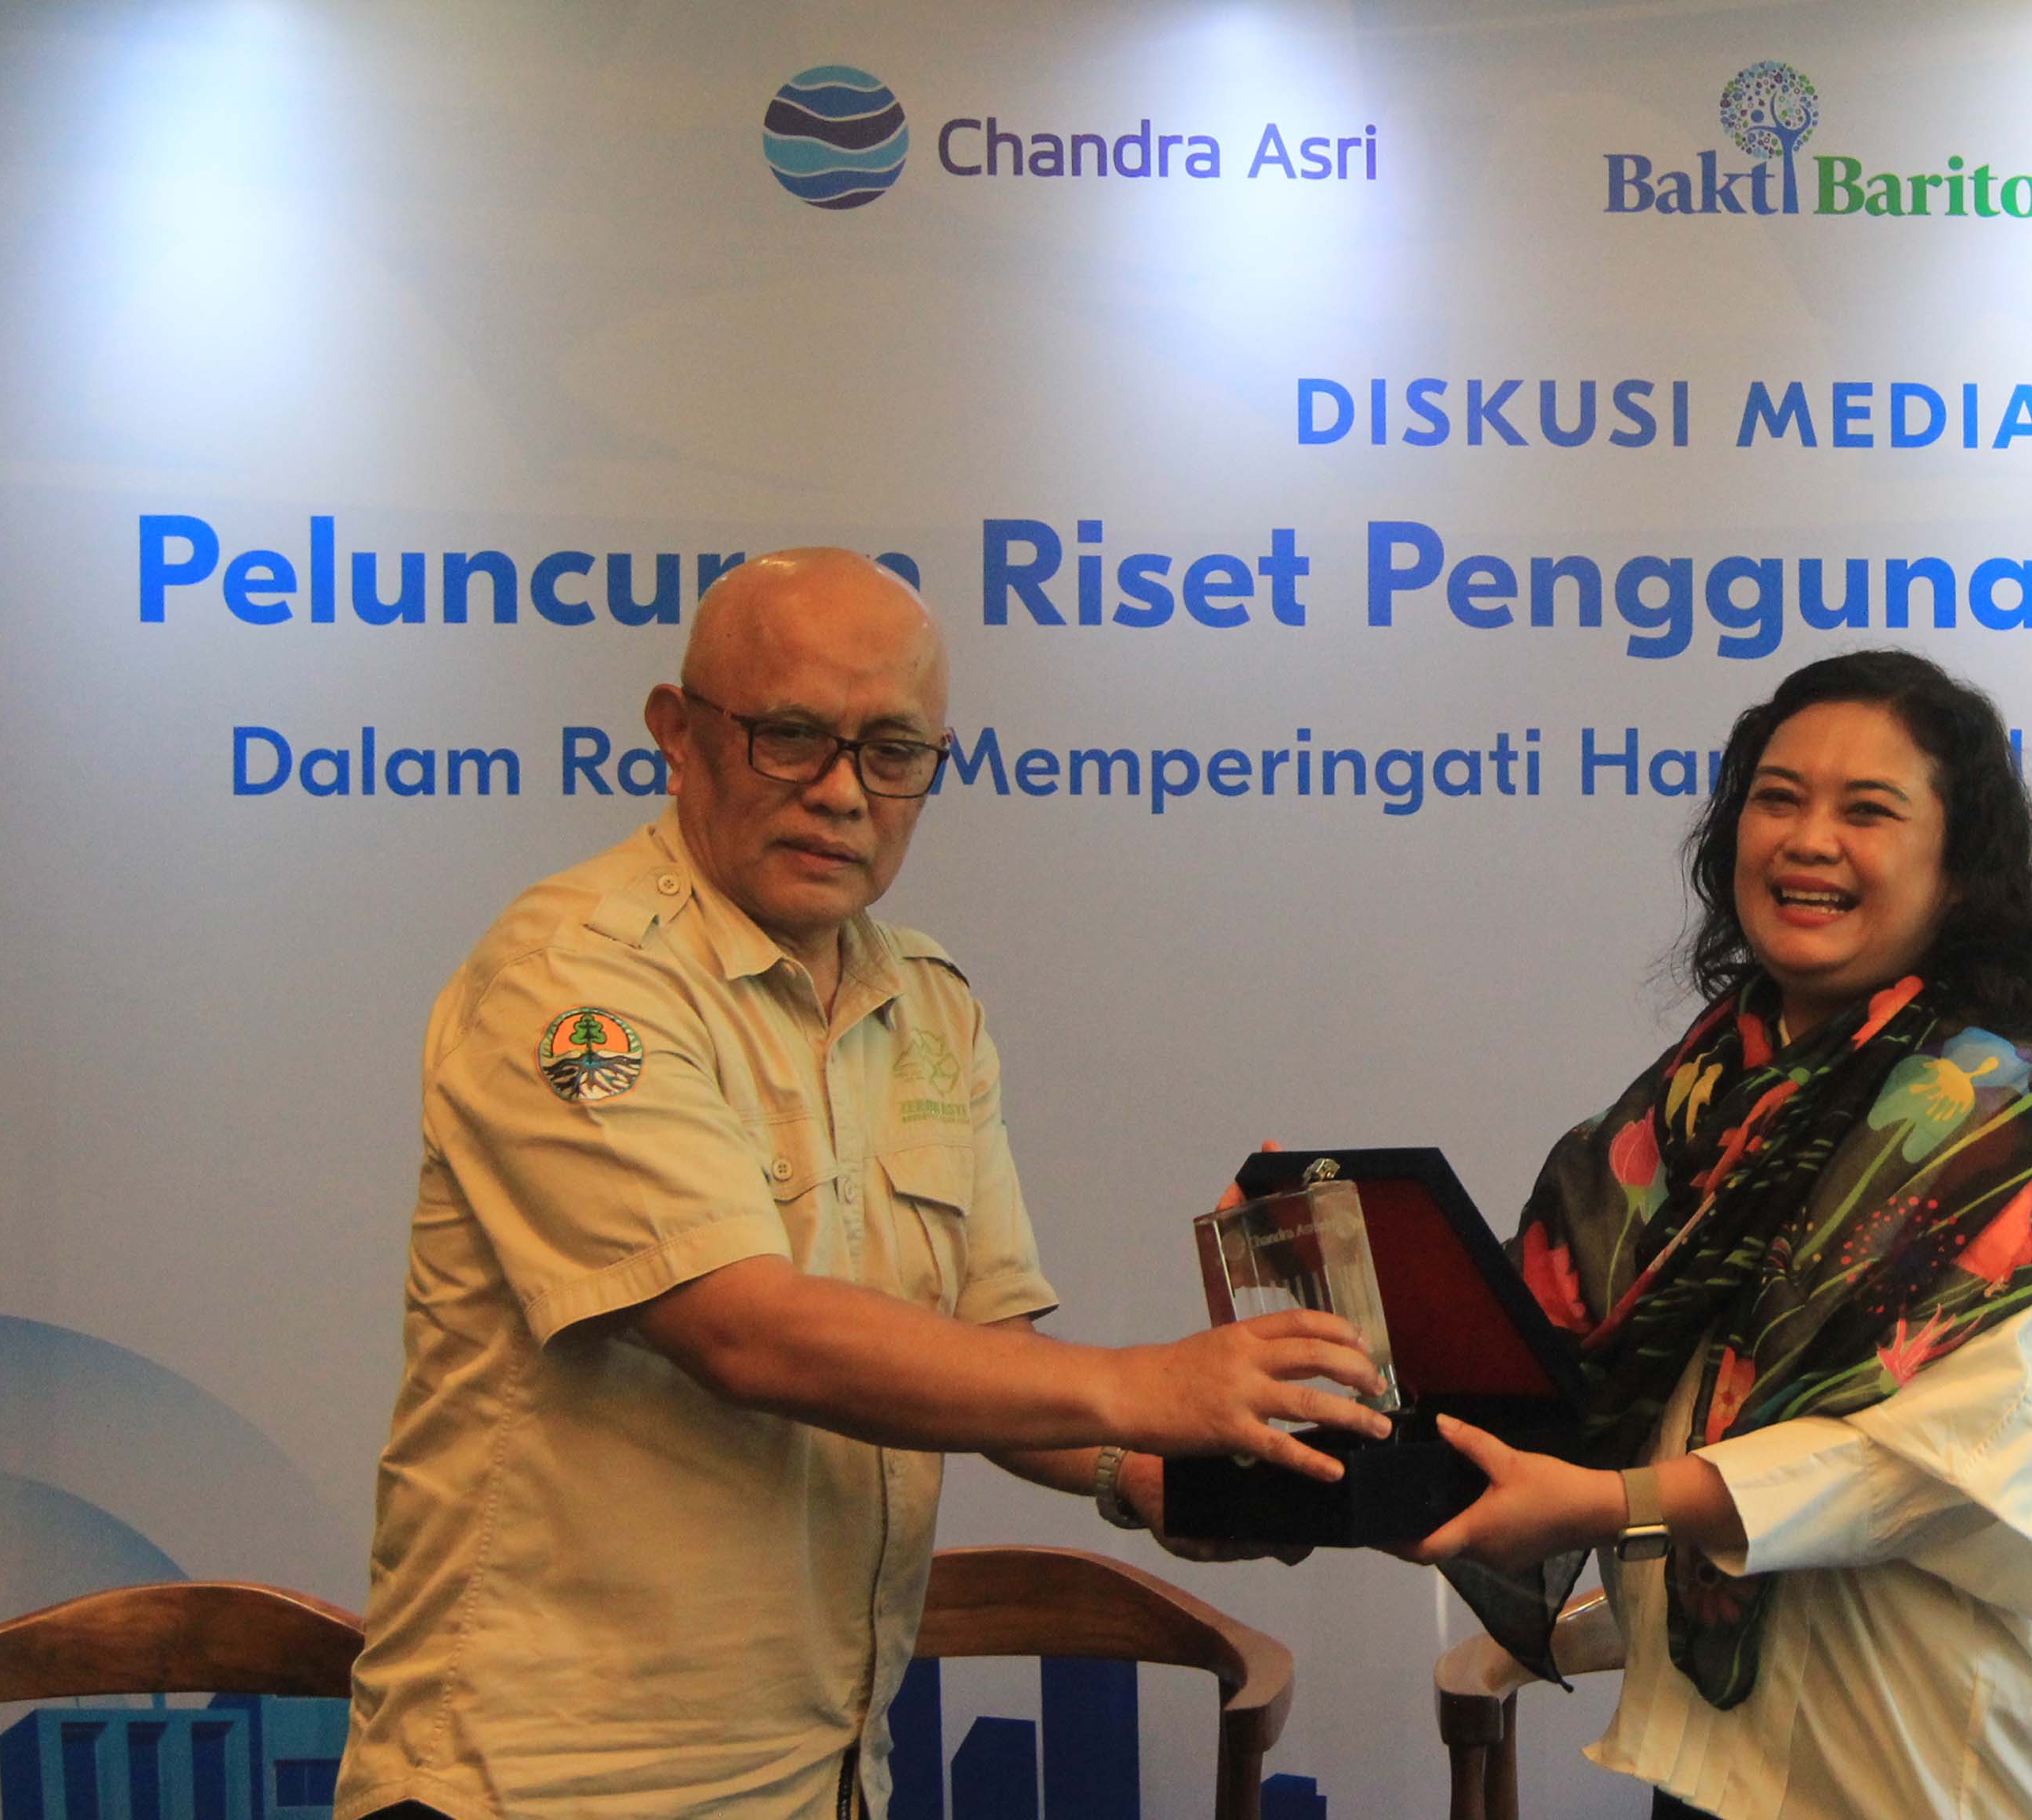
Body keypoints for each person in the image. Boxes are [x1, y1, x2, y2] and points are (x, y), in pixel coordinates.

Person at [333, 549, 1387, 1820]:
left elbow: (988, 1357)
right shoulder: (578, 982)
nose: (841, 793)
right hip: (544, 1787)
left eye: (891, 753)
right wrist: (1144, 1386)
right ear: (677, 735)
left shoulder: (928, 1003)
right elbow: (746, 1331)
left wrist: (1160, 1471)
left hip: (822, 1775)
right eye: (790, 737)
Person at [1409, 650, 2032, 1820]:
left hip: (1937, 1774)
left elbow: (1942, 1469)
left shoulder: (2015, 1131)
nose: (1809, 841)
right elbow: (1545, 1369)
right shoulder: (1696, 1106)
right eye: (1777, 799)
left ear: (1959, 871)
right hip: (1716, 1764)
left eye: (1868, 810)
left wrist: (1614, 1503)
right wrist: (1337, 1327)